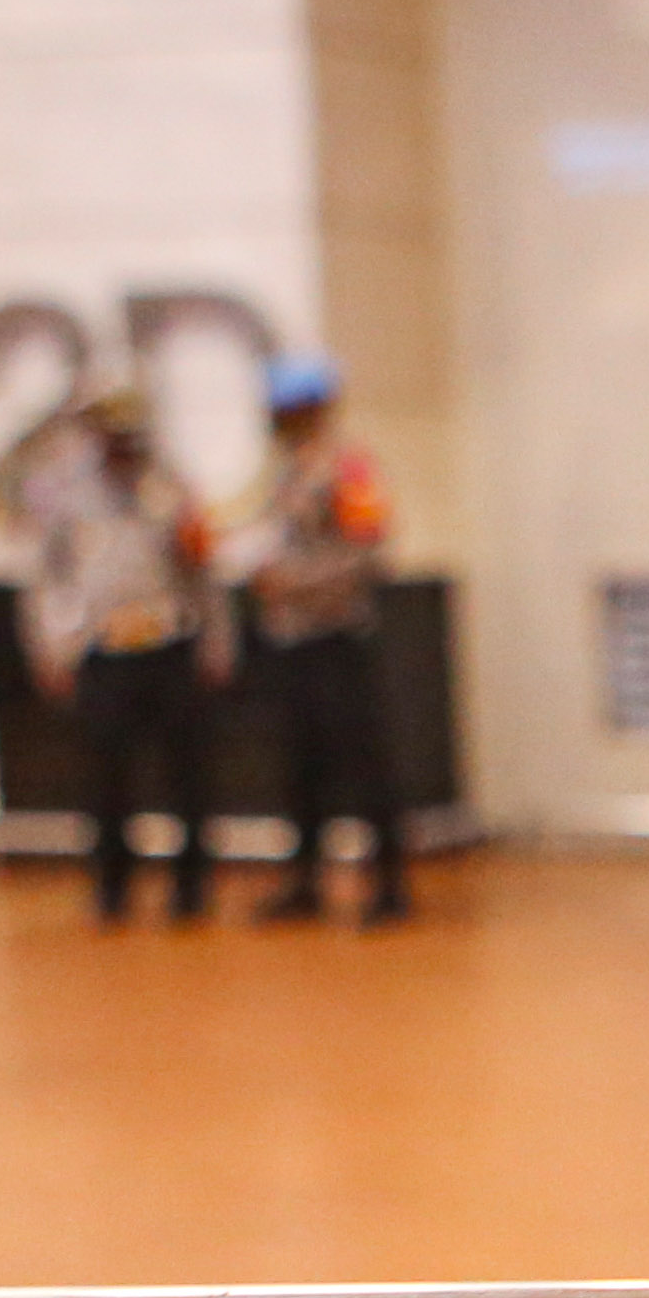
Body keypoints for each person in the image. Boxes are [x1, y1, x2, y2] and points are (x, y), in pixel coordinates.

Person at [25, 389, 223, 927]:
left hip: (170, 645)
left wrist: (216, 641)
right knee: (106, 778)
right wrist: (49, 647)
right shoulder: (63, 491)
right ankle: (112, 887)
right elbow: (45, 577)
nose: (124, 447)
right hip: (104, 651)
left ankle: (191, 887)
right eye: (113, 436)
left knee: (187, 775)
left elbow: (203, 569)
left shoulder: (171, 486)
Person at [230, 353, 408, 927]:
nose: (281, 418)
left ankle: (388, 887)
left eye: (291, 408)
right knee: (298, 763)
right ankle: (303, 881)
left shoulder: (348, 470)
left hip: (336, 636)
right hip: (288, 638)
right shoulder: (285, 471)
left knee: (363, 764)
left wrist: (294, 583)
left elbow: (371, 554)